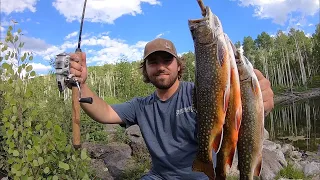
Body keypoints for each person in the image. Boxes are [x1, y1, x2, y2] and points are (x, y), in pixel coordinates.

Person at [69, 38, 274, 180]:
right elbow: (104, 113)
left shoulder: (201, 94)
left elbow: (233, 112)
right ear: (146, 70)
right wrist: (82, 84)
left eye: (167, 60)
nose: (161, 67)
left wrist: (256, 102)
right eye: (153, 62)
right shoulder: (141, 106)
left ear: (178, 65)